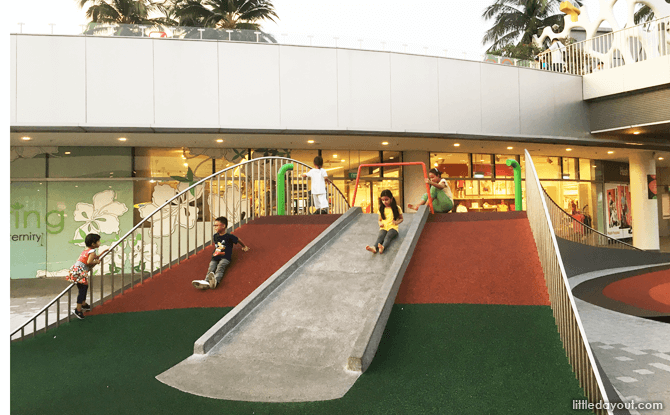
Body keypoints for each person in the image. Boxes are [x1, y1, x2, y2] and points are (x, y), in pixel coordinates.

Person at [192, 216, 250, 290]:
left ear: (223, 226)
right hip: (215, 256)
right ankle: (206, 282)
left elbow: (238, 239)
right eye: (214, 225)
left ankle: (216, 280)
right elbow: (217, 245)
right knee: (211, 267)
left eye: (216, 225)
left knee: (220, 267)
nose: (215, 227)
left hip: (225, 257)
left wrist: (244, 246)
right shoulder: (215, 236)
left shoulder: (229, 236)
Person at [66, 233, 107, 320]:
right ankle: (78, 309)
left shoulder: (87, 250)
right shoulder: (92, 252)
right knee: (82, 290)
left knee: (83, 287)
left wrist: (104, 252)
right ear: (93, 244)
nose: (100, 242)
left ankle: (83, 304)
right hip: (80, 272)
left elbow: (94, 257)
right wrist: (97, 262)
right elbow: (89, 262)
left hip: (76, 270)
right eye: (98, 241)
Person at [366, 189, 403, 254]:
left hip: (393, 228)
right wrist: (380, 223)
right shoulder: (381, 208)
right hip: (384, 227)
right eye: (382, 200)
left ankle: (383, 247)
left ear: (391, 199)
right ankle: (374, 247)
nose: (384, 202)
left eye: (386, 199)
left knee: (388, 236)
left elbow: (401, 218)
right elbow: (379, 220)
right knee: (380, 236)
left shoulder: (397, 208)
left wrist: (397, 222)